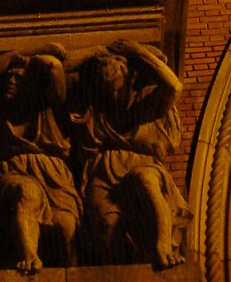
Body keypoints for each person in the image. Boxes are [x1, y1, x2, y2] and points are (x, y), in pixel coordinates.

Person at [72, 39, 190, 268]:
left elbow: (174, 86)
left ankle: (163, 246)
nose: (108, 69)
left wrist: (135, 50)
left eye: (115, 64)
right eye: (102, 67)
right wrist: (92, 50)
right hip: (103, 168)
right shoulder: (93, 106)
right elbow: (59, 67)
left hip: (140, 163)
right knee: (106, 226)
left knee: (146, 182)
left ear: (128, 72)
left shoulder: (147, 100)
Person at [0, 46, 81, 273]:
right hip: (13, 173)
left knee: (66, 226)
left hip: (54, 177)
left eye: (18, 78)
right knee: (27, 192)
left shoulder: (49, 108)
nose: (10, 81)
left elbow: (54, 66)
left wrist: (33, 52)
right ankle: (29, 257)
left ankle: (75, 275)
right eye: (8, 77)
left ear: (31, 84)